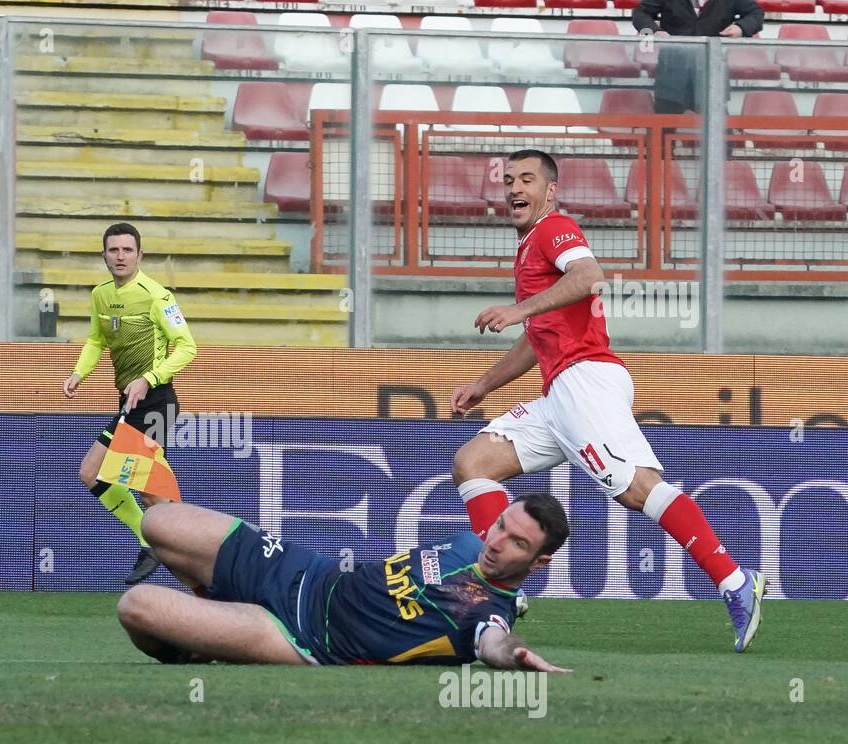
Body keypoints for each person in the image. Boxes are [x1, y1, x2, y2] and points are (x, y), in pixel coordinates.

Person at [449, 149, 766, 652]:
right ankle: (497, 587)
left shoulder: (554, 229)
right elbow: (539, 334)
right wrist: (485, 384)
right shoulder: (530, 245)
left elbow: (590, 277)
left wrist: (517, 308)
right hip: (558, 393)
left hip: (585, 382)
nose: (515, 189)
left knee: (639, 490)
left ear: (550, 190)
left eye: (527, 180)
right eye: (509, 180)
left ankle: (734, 580)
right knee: (473, 464)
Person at [117, 495, 572, 671]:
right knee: (158, 521)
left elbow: (492, 641)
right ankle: (209, 602)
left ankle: (196, 648)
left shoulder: (484, 612)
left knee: (136, 607)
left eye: (517, 543)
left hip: (301, 637)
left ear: (539, 561)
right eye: (500, 527)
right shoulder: (467, 544)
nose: (497, 542)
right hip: (305, 571)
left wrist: (515, 654)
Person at [63, 223, 198, 585]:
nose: (120, 256)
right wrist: (79, 372)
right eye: (113, 250)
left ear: (140, 255)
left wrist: (148, 378)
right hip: (130, 406)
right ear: (104, 255)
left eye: (127, 250)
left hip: (156, 404)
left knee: (155, 497)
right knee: (91, 473)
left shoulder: (159, 296)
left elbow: (187, 347)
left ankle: (197, 566)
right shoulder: (101, 296)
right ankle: (159, 544)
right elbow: (96, 340)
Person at [632, 0, 764, 114]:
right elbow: (639, 14)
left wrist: (741, 28)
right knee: (662, 132)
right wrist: (653, 32)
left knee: (721, 136)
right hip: (672, 74)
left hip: (712, 74)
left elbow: (756, 14)